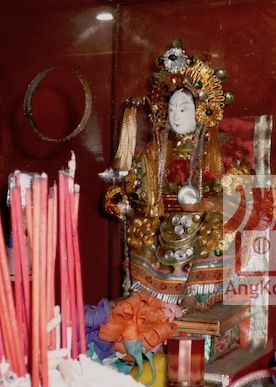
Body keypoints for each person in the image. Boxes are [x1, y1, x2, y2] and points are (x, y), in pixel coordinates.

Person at [103, 40, 251, 313]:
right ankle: (146, 291)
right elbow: (137, 188)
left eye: (183, 110)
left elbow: (244, 192)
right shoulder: (156, 150)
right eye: (170, 110)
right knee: (142, 227)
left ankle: (198, 291)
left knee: (219, 229)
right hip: (164, 217)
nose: (175, 117)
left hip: (206, 216)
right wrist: (124, 199)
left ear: (202, 110)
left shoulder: (223, 148)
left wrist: (208, 204)